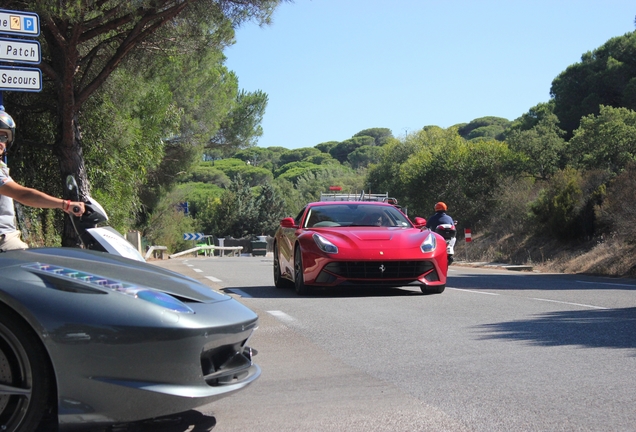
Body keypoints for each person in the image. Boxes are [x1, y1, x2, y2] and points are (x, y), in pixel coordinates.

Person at [0, 111, 85, 251]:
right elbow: (23, 195)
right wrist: (65, 204)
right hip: (4, 240)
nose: (0, 142)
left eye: (3, 136)